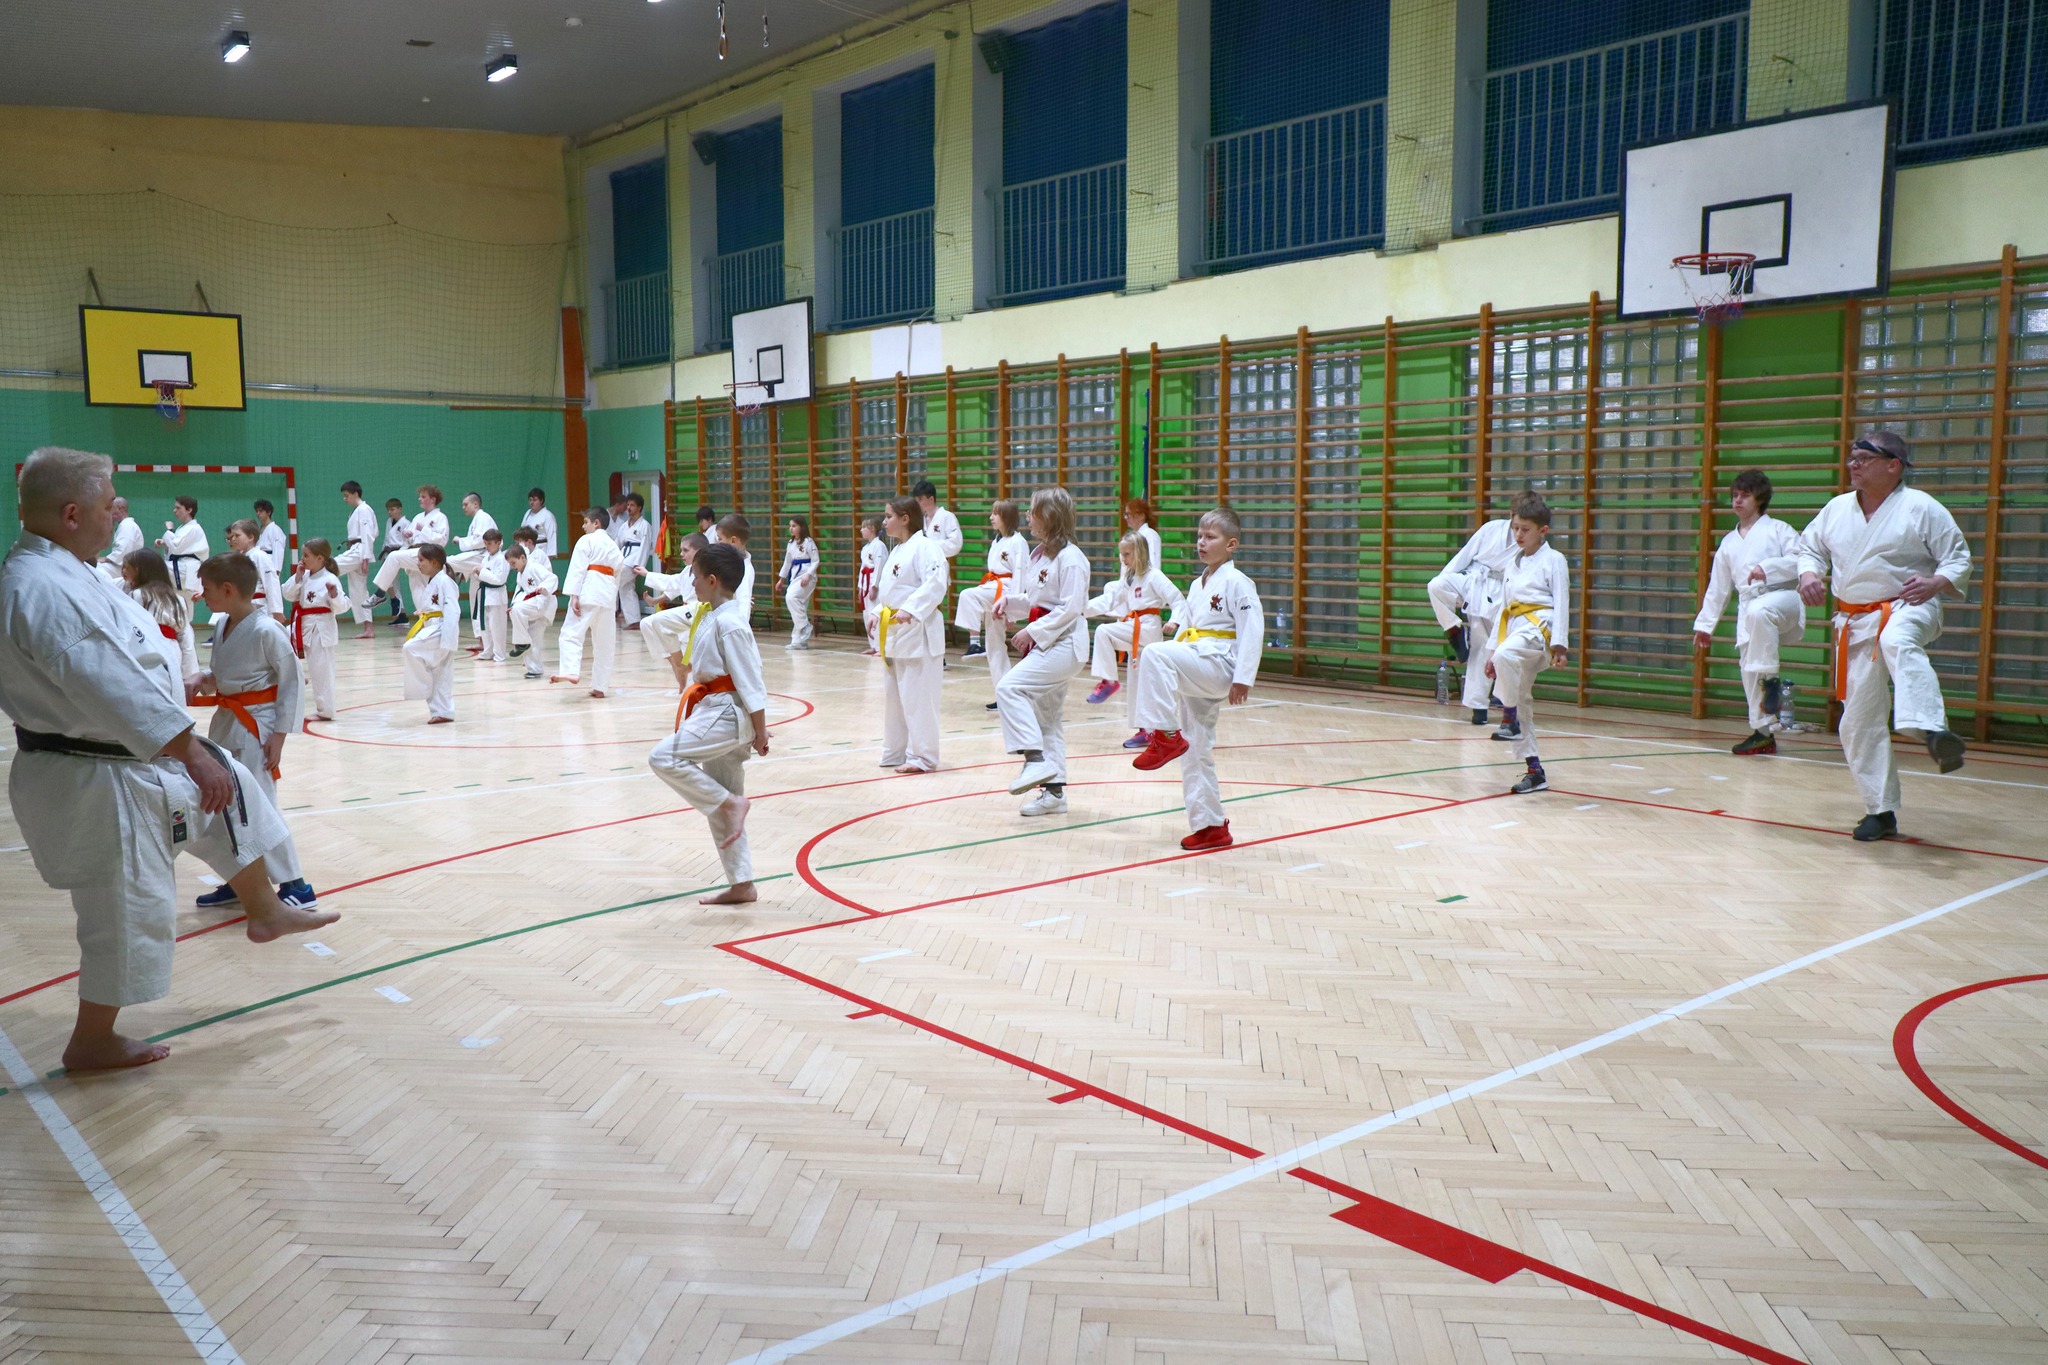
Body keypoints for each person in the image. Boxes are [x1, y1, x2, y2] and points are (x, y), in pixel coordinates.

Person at [0, 447, 335, 1072]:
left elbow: (134, 659)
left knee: (231, 790)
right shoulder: (41, 585)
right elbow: (106, 682)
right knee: (128, 908)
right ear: (72, 514)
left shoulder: (72, 569)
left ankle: (263, 909)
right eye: (107, 506)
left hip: (129, 752)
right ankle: (92, 1040)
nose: (116, 516)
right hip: (95, 770)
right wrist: (186, 747)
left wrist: (191, 740)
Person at [1795, 430, 1973, 840]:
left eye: (1863, 458)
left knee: (1896, 640)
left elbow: (1957, 557)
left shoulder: (1921, 507)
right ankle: (1882, 810)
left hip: (1909, 606)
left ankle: (1931, 729)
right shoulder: (1837, 508)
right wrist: (1808, 574)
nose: (1853, 464)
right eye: (1852, 457)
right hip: (1856, 623)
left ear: (1894, 465)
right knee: (1856, 722)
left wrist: (1935, 582)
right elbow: (1809, 548)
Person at [1130, 507, 1265, 850]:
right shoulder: (1197, 583)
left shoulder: (1238, 582)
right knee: (1197, 748)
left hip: (1220, 663)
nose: (1202, 542)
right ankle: (1211, 826)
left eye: (1211, 537)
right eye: (1200, 536)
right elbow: (1186, 628)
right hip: (1197, 659)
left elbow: (1253, 630)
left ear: (1231, 544)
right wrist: (1169, 670)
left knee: (1154, 653)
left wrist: (1243, 678)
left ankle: (1164, 734)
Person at [192, 553, 320, 909]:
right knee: (225, 802)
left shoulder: (266, 629)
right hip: (227, 721)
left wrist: (279, 736)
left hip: (256, 727)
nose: (202, 595)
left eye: (207, 588)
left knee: (259, 805)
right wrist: (203, 679)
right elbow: (229, 675)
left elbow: (291, 683)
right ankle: (241, 878)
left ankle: (297, 885)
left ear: (228, 589)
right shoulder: (222, 624)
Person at [647, 542, 771, 906]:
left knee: (663, 758)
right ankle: (742, 884)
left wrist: (760, 729)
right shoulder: (710, 615)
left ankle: (728, 804)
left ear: (713, 580)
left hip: (726, 712)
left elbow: (752, 680)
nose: (692, 581)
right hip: (715, 711)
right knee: (723, 806)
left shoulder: (731, 622)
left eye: (696, 576)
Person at [1691, 469, 1806, 755]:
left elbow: (1803, 561)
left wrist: (1767, 568)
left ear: (1760, 499)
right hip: (1750, 608)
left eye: (1745, 495)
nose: (1737, 500)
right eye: (1734, 495)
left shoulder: (1779, 530)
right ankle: (1763, 732)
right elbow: (1718, 588)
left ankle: (1771, 683)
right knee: (1747, 669)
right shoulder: (1729, 543)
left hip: (1783, 600)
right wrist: (1705, 626)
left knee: (1760, 610)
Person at [996, 489, 1091, 817]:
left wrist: (1031, 631)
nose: (1027, 517)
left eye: (1032, 512)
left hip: (1066, 645)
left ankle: (1034, 760)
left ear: (1049, 518)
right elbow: (1039, 601)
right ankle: (1054, 793)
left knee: (1009, 688)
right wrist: (1009, 603)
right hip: (1049, 642)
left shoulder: (1073, 559)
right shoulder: (1038, 555)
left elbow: (1070, 609)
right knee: (1047, 717)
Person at [1483, 490, 1572, 795]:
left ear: (1542, 531)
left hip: (1541, 632)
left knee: (1507, 657)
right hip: (1515, 630)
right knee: (1522, 700)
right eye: (1515, 527)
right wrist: (1491, 652)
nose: (1518, 534)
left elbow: (1562, 602)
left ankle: (1508, 718)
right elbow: (1503, 611)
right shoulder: (1512, 563)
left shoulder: (1554, 560)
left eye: (1525, 529)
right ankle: (1535, 770)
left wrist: (1560, 646)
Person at [869, 495, 950, 773]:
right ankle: (895, 751)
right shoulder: (898, 550)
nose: (884, 521)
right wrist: (876, 612)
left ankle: (924, 757)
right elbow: (891, 592)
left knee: (918, 699)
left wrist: (913, 609)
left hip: (919, 633)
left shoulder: (927, 547)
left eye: (889, 516)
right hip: (894, 632)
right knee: (895, 698)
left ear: (905, 518)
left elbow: (937, 582)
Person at [1427, 511, 1519, 727]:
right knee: (1436, 586)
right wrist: (1446, 575)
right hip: (1475, 582)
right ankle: (1454, 631)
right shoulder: (1492, 528)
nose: (1519, 529)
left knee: (1484, 648)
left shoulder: (1533, 544)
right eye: (1517, 521)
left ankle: (1480, 708)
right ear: (1511, 515)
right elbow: (1465, 554)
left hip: (1504, 595)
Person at [1085, 530, 1185, 717]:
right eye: (1121, 554)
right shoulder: (1129, 579)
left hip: (1148, 628)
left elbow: (1178, 600)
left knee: (1103, 632)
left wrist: (1174, 621)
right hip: (1135, 629)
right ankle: (1144, 730)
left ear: (1139, 552)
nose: (1123, 559)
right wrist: (1079, 610)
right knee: (1137, 683)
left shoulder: (1154, 576)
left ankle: (1109, 681)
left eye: (1127, 554)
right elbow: (1108, 601)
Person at [552, 507, 624, 697]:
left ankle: (570, 671)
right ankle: (600, 687)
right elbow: (617, 574)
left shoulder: (587, 540)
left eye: (586, 522)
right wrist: (612, 600)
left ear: (596, 523)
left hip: (590, 588)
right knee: (605, 643)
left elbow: (578, 568)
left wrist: (574, 595)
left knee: (571, 633)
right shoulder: (614, 546)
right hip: (607, 595)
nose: (583, 527)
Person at [956, 499, 1027, 673]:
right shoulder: (996, 541)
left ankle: (974, 643)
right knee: (995, 645)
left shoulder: (1018, 542)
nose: (991, 517)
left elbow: (1021, 575)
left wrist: (1012, 610)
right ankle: (1002, 696)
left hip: (1007, 590)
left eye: (995, 514)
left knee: (968, 595)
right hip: (994, 588)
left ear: (1006, 517)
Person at [282, 537, 344, 721]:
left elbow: (342, 606)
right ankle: (294, 682)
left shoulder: (330, 579)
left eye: (306, 555)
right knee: (281, 641)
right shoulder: (305, 576)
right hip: (303, 624)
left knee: (322, 670)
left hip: (321, 627)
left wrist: (334, 594)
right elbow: (287, 593)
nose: (303, 559)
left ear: (320, 558)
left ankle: (326, 711)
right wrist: (298, 577)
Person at [121, 549, 200, 690]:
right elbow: (186, 637)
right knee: (173, 691)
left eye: (127, 567)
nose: (123, 571)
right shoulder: (178, 599)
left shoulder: (137, 595)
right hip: (174, 650)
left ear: (139, 570)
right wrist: (189, 674)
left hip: (146, 648)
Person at [403, 543, 460, 723]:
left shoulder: (444, 581)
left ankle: (423, 687)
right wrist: (424, 612)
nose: (418, 564)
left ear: (434, 562)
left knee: (410, 648)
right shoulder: (434, 580)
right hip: (433, 626)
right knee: (440, 672)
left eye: (421, 560)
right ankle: (442, 712)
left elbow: (453, 611)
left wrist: (448, 640)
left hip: (443, 629)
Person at [640, 532, 708, 683]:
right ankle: (673, 660)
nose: (681, 554)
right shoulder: (687, 571)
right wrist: (655, 598)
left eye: (685, 550)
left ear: (698, 551)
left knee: (657, 622)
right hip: (686, 616)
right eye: (681, 550)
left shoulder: (708, 569)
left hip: (698, 613)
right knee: (646, 623)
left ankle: (681, 668)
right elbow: (673, 584)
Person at [370, 484, 449, 609]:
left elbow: (442, 540)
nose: (420, 499)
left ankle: (380, 593)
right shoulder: (418, 517)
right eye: (419, 497)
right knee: (418, 592)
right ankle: (426, 623)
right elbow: (410, 540)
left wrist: (424, 529)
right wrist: (408, 535)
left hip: (430, 553)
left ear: (433, 499)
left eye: (423, 497)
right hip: (415, 553)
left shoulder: (440, 517)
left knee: (394, 557)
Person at [444, 491, 499, 637]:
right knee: (475, 597)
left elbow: (481, 540)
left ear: (476, 504)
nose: (463, 507)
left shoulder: (483, 517)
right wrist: (465, 571)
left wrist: (460, 540)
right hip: (476, 558)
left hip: (482, 557)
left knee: (447, 561)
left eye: (465, 504)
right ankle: (481, 638)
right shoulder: (477, 519)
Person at [506, 540, 559, 679]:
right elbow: (521, 592)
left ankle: (521, 643)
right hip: (534, 605)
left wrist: (544, 588)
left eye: (513, 563)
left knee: (517, 611)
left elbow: (552, 577)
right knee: (532, 639)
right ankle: (534, 669)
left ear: (522, 558)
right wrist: (514, 605)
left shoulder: (534, 567)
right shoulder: (520, 575)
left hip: (543, 602)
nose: (512, 567)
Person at [335, 480, 381, 638]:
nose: (345, 498)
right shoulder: (356, 511)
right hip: (357, 549)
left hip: (360, 550)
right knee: (359, 591)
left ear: (356, 494)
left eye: (347, 495)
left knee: (329, 567)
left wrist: (366, 557)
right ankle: (369, 629)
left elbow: (368, 534)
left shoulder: (364, 509)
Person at [224, 518, 285, 624]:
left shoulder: (260, 556)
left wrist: (277, 610)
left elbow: (271, 582)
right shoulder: (238, 558)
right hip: (241, 606)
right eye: (232, 536)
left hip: (259, 607)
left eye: (237, 535)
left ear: (251, 537)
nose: (233, 539)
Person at [777, 516, 821, 650]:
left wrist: (808, 575)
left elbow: (816, 560)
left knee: (791, 597)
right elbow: (787, 562)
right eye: (790, 526)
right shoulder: (791, 543)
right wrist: (781, 579)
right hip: (795, 575)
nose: (791, 528)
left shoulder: (808, 542)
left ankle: (805, 626)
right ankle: (799, 640)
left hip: (807, 575)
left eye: (794, 526)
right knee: (799, 607)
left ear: (801, 527)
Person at [156, 494, 208, 601]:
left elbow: (176, 547)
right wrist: (165, 544)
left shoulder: (194, 528)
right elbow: (176, 549)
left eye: (178, 508)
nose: (174, 510)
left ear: (189, 510)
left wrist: (170, 530)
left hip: (187, 569)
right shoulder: (183, 528)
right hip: (181, 567)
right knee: (183, 605)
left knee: (153, 566)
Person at [614, 492, 654, 629]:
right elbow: (617, 544)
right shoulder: (624, 526)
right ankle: (634, 621)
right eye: (628, 505)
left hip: (633, 560)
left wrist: (639, 565)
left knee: (614, 581)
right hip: (623, 557)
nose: (629, 508)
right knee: (626, 588)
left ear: (640, 507)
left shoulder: (645, 525)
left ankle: (607, 612)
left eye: (632, 505)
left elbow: (645, 546)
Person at [471, 528, 511, 663]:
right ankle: (488, 651)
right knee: (486, 626)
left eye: (489, 543)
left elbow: (500, 579)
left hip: (497, 597)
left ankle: (499, 654)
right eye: (485, 543)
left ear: (498, 543)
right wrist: (477, 574)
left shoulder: (503, 559)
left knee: (497, 627)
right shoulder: (486, 558)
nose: (486, 546)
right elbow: (482, 577)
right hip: (485, 595)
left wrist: (481, 572)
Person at [378, 496, 413, 625]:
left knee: (389, 580)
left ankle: (396, 604)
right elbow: (387, 539)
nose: (390, 512)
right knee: (390, 582)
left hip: (400, 554)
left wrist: (399, 554)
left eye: (392, 509)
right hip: (389, 553)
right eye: (388, 510)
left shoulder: (406, 523)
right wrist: (384, 552)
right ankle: (401, 613)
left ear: (399, 509)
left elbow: (407, 542)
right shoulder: (389, 521)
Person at [856, 514, 887, 655]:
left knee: (876, 615)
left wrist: (874, 586)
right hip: (865, 583)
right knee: (867, 615)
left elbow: (880, 566)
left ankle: (882, 647)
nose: (861, 530)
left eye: (864, 527)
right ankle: (873, 645)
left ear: (873, 529)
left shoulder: (879, 546)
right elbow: (863, 568)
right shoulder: (865, 548)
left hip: (875, 584)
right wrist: (860, 587)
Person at [717, 515, 757, 622]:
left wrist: (739, 631)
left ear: (733, 541)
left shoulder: (745, 570)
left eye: (720, 539)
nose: (718, 543)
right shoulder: (722, 561)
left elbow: (744, 604)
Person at [98, 495, 143, 583]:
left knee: (95, 567)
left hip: (126, 567)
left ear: (120, 509)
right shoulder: (125, 525)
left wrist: (105, 559)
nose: (110, 512)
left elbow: (122, 551)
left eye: (111, 508)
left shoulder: (127, 526)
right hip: (122, 565)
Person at [1123, 496, 1163, 584]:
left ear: (1141, 516)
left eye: (1128, 514)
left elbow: (1153, 564)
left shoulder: (1150, 535)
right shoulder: (1131, 537)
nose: (1126, 517)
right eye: (1125, 514)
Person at [252, 499, 288, 582]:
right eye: (257, 511)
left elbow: (278, 551)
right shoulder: (259, 529)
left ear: (268, 512)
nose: (258, 513)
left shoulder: (275, 530)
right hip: (259, 564)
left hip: (269, 565)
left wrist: (276, 571)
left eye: (261, 511)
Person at [520, 487, 559, 561]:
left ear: (541, 500)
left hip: (541, 549)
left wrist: (549, 557)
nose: (532, 502)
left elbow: (552, 536)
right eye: (530, 500)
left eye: (535, 500)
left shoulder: (548, 516)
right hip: (527, 549)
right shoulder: (527, 513)